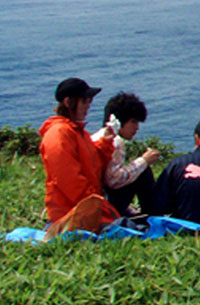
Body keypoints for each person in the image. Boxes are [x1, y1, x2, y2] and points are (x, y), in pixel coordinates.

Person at [38, 77, 118, 229]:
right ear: (68, 102)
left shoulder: (76, 132)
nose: (88, 107)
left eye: (89, 102)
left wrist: (106, 143)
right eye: (84, 102)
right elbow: (70, 182)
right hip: (71, 217)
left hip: (85, 212)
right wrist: (99, 208)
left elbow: (94, 163)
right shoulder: (59, 134)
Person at [97, 92, 163, 216]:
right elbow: (113, 181)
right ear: (119, 122)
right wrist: (144, 161)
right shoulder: (116, 142)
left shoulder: (97, 137)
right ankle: (153, 215)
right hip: (105, 204)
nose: (137, 128)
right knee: (143, 171)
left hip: (96, 199)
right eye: (133, 122)